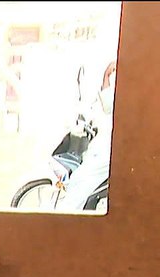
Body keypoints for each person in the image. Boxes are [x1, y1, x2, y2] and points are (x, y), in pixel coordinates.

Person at [59, 60, 115, 212]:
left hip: (109, 146)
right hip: (106, 143)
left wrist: (107, 76)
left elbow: (109, 106)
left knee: (81, 182)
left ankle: (63, 222)